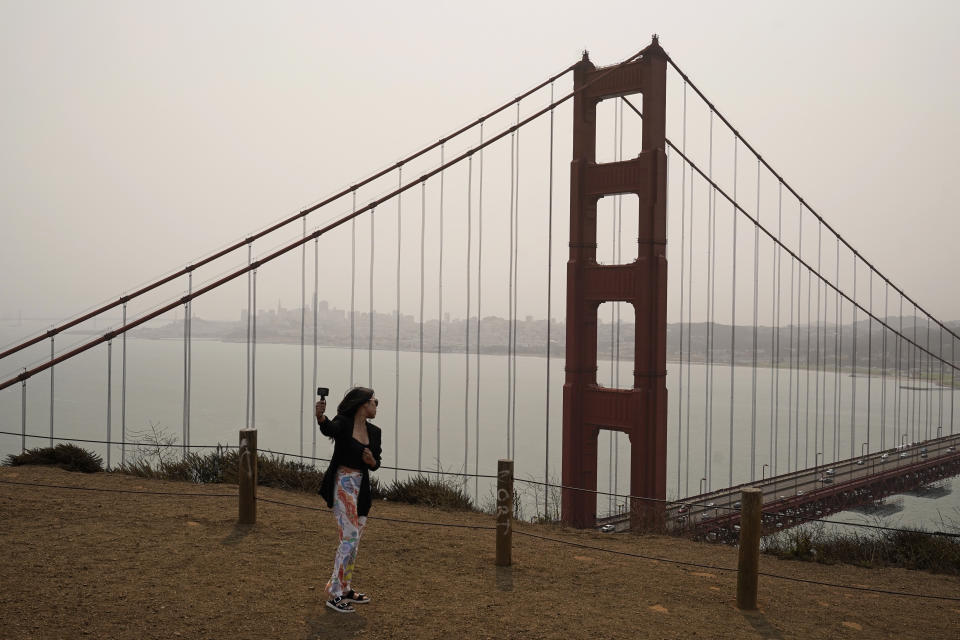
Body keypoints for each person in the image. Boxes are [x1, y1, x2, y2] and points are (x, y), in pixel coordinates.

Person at [316, 386, 382, 613]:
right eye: (374, 401)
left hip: (361, 489)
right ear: (363, 404)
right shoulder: (343, 422)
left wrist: (371, 460)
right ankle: (334, 594)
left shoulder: (375, 432)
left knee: (354, 542)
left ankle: (345, 588)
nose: (376, 405)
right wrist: (320, 416)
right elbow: (329, 429)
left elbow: (376, 464)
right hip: (342, 485)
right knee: (349, 538)